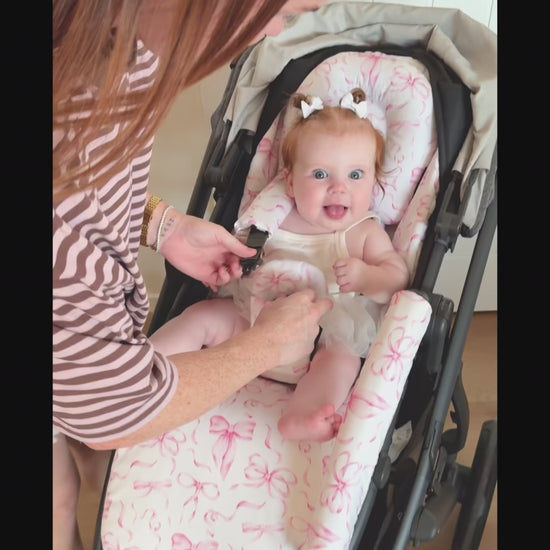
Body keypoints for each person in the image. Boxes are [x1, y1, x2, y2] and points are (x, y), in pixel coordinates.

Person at [52, 2, 331, 550]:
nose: (275, 32)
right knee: (60, 497)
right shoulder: (75, 115)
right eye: (287, 10)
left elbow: (81, 206)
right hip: (99, 392)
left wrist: (161, 225)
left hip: (80, 375)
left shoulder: (115, 59)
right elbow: (115, 410)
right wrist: (266, 345)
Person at [150, 89, 410, 443]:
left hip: (322, 335)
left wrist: (367, 276)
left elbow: (397, 277)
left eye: (355, 175)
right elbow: (243, 259)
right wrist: (230, 267)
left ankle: (304, 412)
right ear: (290, 181)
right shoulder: (270, 220)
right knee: (203, 316)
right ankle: (149, 369)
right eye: (320, 174)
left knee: (343, 359)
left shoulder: (362, 232)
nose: (339, 188)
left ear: (374, 180)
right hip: (252, 321)